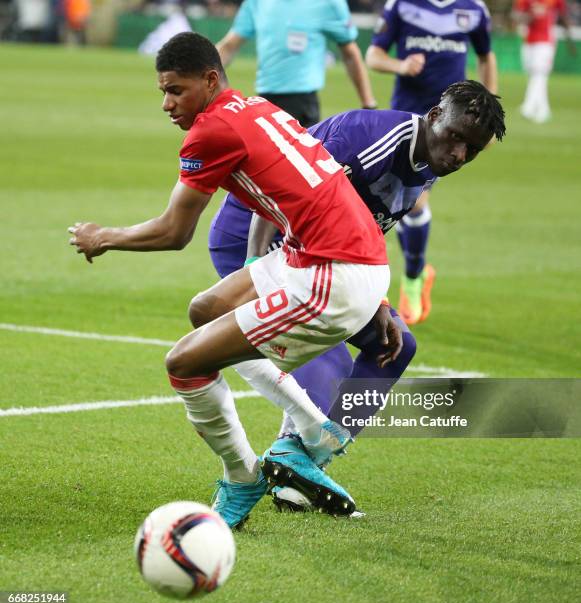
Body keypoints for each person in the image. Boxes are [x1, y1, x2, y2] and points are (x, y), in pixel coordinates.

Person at [68, 32, 395, 528]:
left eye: (175, 90)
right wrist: (379, 288)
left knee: (183, 362)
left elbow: (174, 232)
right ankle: (313, 426)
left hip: (333, 277)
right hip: (340, 257)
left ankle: (242, 478)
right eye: (162, 91)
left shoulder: (210, 132)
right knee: (206, 311)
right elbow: (336, 190)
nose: (166, 103)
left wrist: (102, 236)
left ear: (210, 78)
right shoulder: (255, 108)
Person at [209, 80, 506, 511]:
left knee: (394, 345)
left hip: (321, 256)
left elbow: (365, 229)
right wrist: (255, 267)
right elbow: (282, 191)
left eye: (472, 150)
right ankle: (278, 466)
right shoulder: (369, 140)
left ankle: (300, 464)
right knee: (327, 356)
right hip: (257, 236)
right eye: (456, 137)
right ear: (435, 115)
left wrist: (379, 301)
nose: (459, 154)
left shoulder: (428, 167)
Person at [365, 0, 498, 326]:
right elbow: (374, 55)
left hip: (450, 129)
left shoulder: (474, 9)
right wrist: (401, 66)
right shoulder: (402, 6)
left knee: (413, 201)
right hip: (406, 121)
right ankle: (414, 274)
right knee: (397, 200)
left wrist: (489, 112)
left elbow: (485, 56)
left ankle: (411, 277)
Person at [215, 0, 377, 128]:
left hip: (303, 104)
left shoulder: (328, 3)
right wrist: (203, 72)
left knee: (304, 168)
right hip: (264, 102)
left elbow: (350, 53)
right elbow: (229, 46)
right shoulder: (257, 2)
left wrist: (368, 103)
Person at [512, 0, 576, 123]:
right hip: (529, 41)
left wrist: (570, 39)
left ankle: (528, 107)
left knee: (539, 74)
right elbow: (516, 16)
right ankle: (543, 110)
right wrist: (530, 16)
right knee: (533, 75)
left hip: (545, 42)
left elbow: (563, 17)